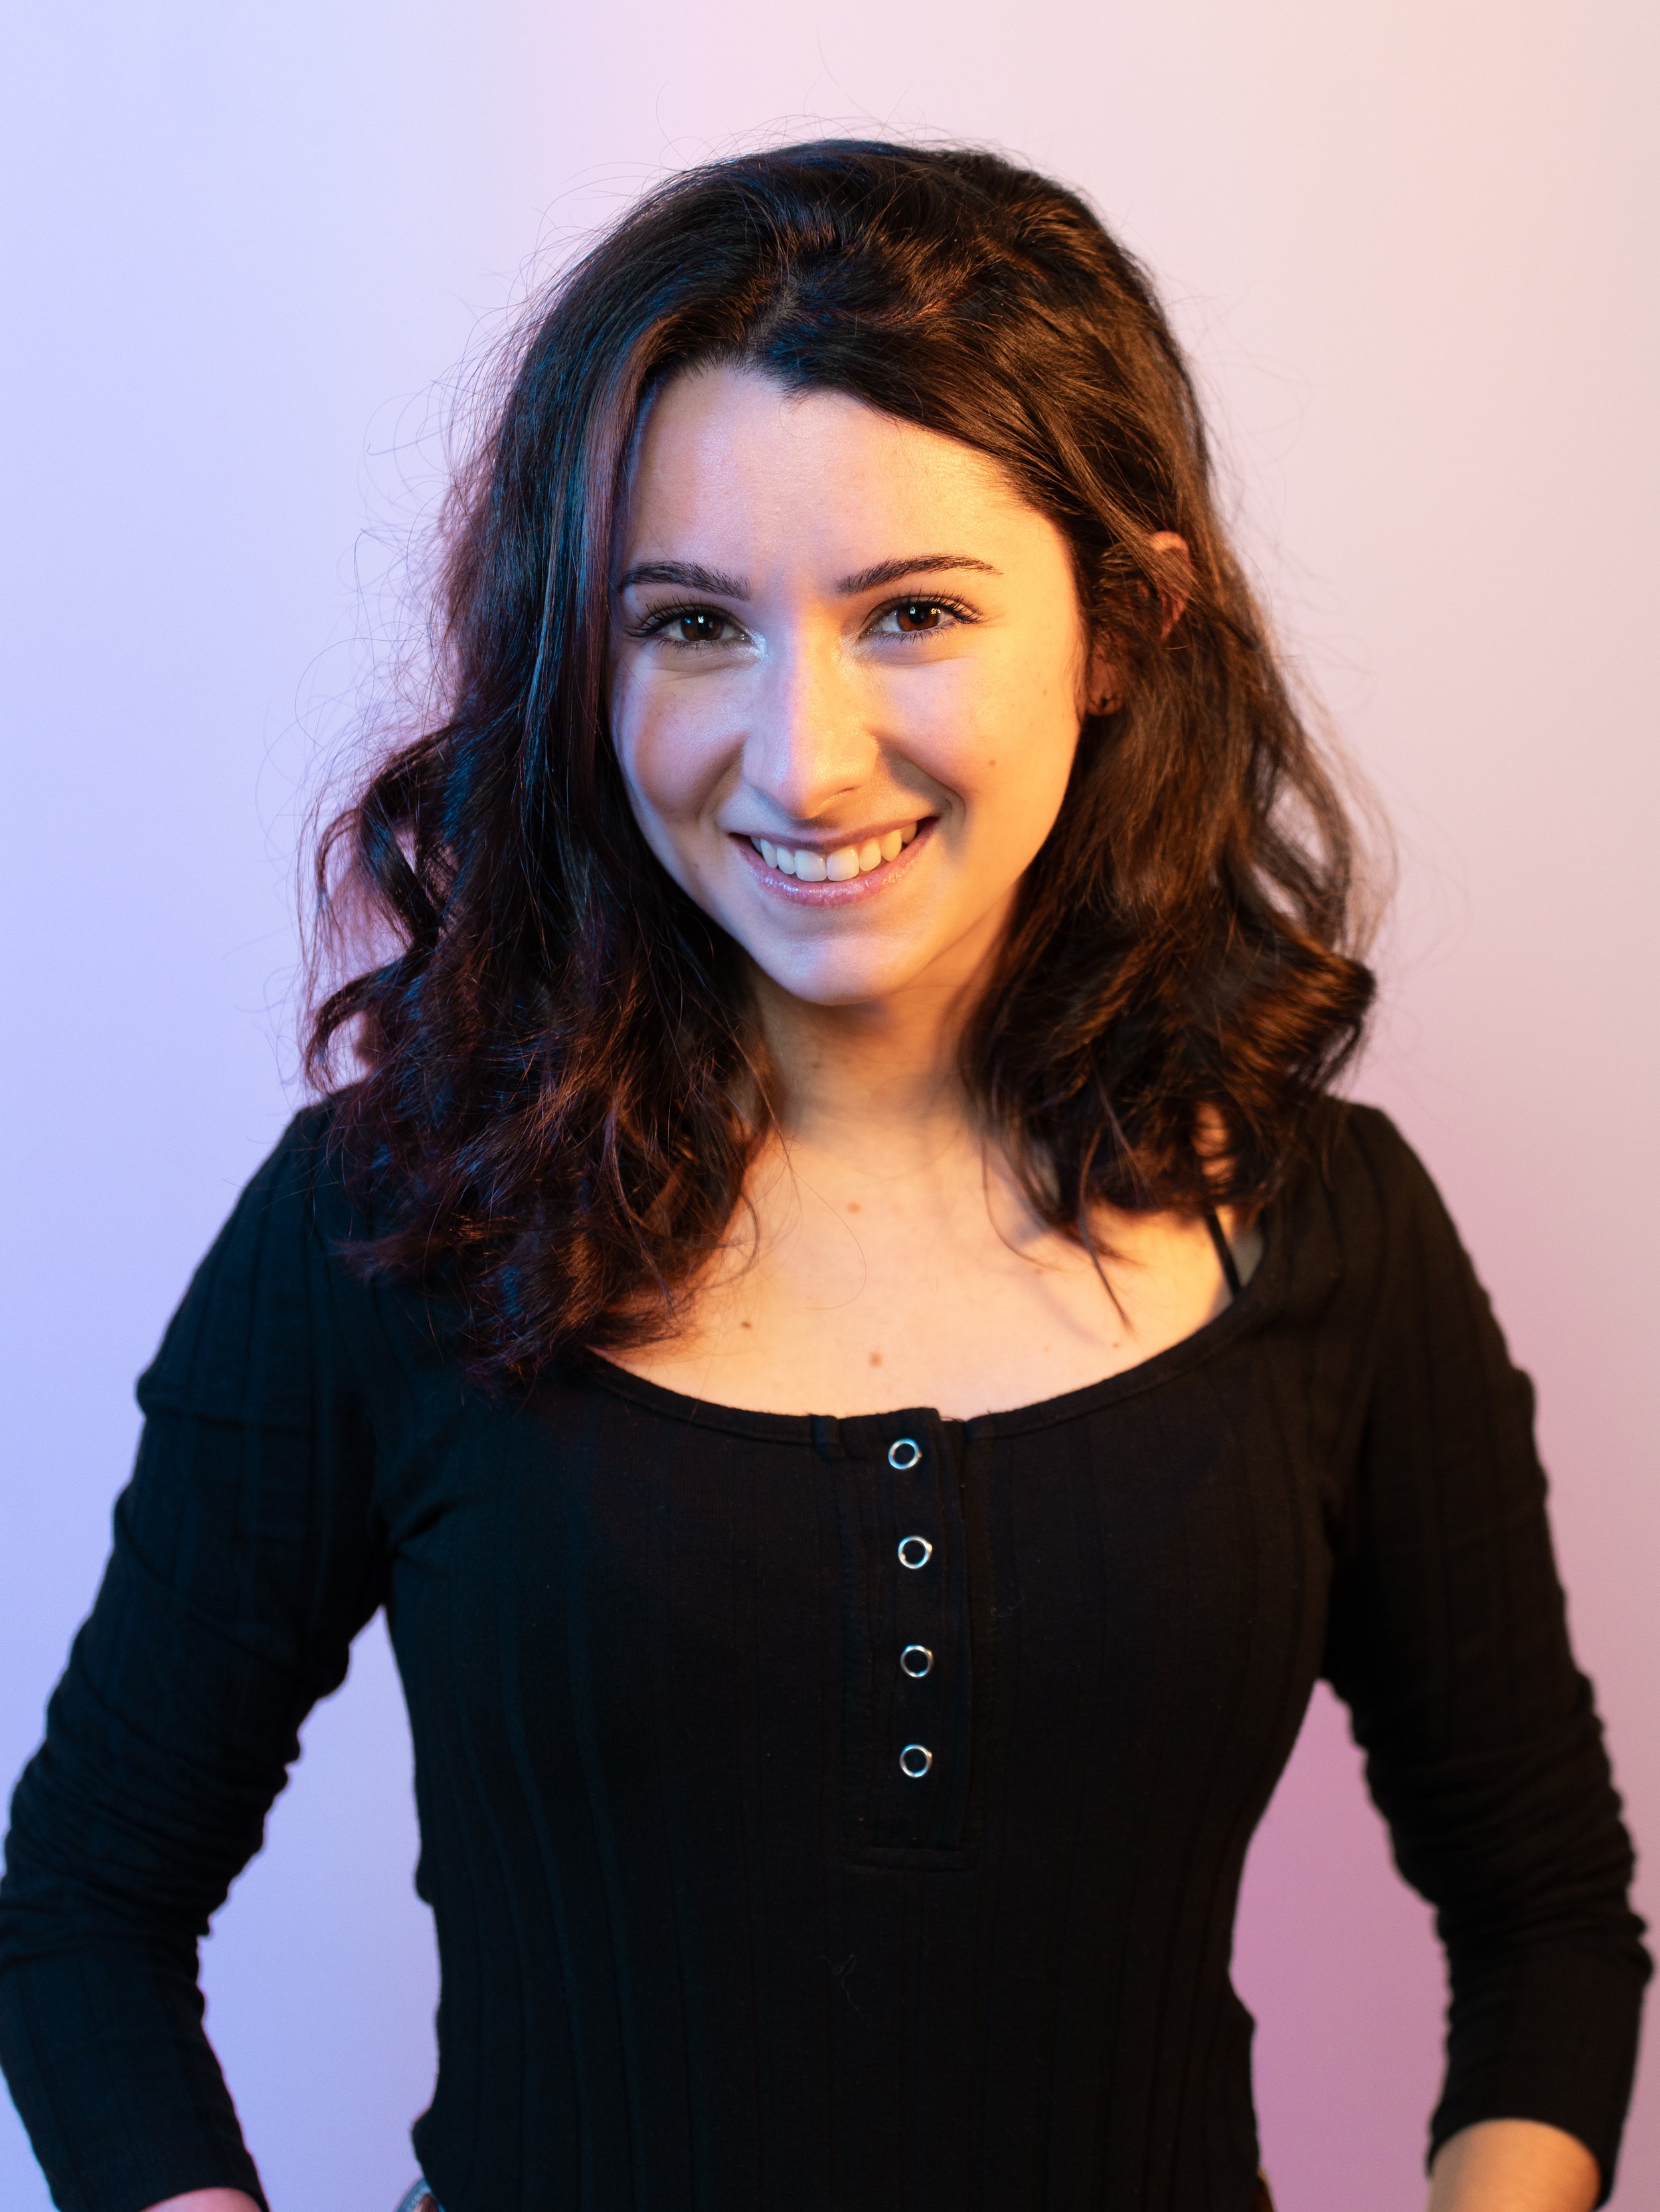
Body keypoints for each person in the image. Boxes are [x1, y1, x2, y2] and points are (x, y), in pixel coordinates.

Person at [0, 139, 1646, 2212]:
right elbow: (80, 1907)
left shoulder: (1330, 1226)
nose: (802, 759)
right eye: (692, 624)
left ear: (1121, 625)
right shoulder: (384, 1217)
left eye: (913, 613)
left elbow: (1544, 1913)